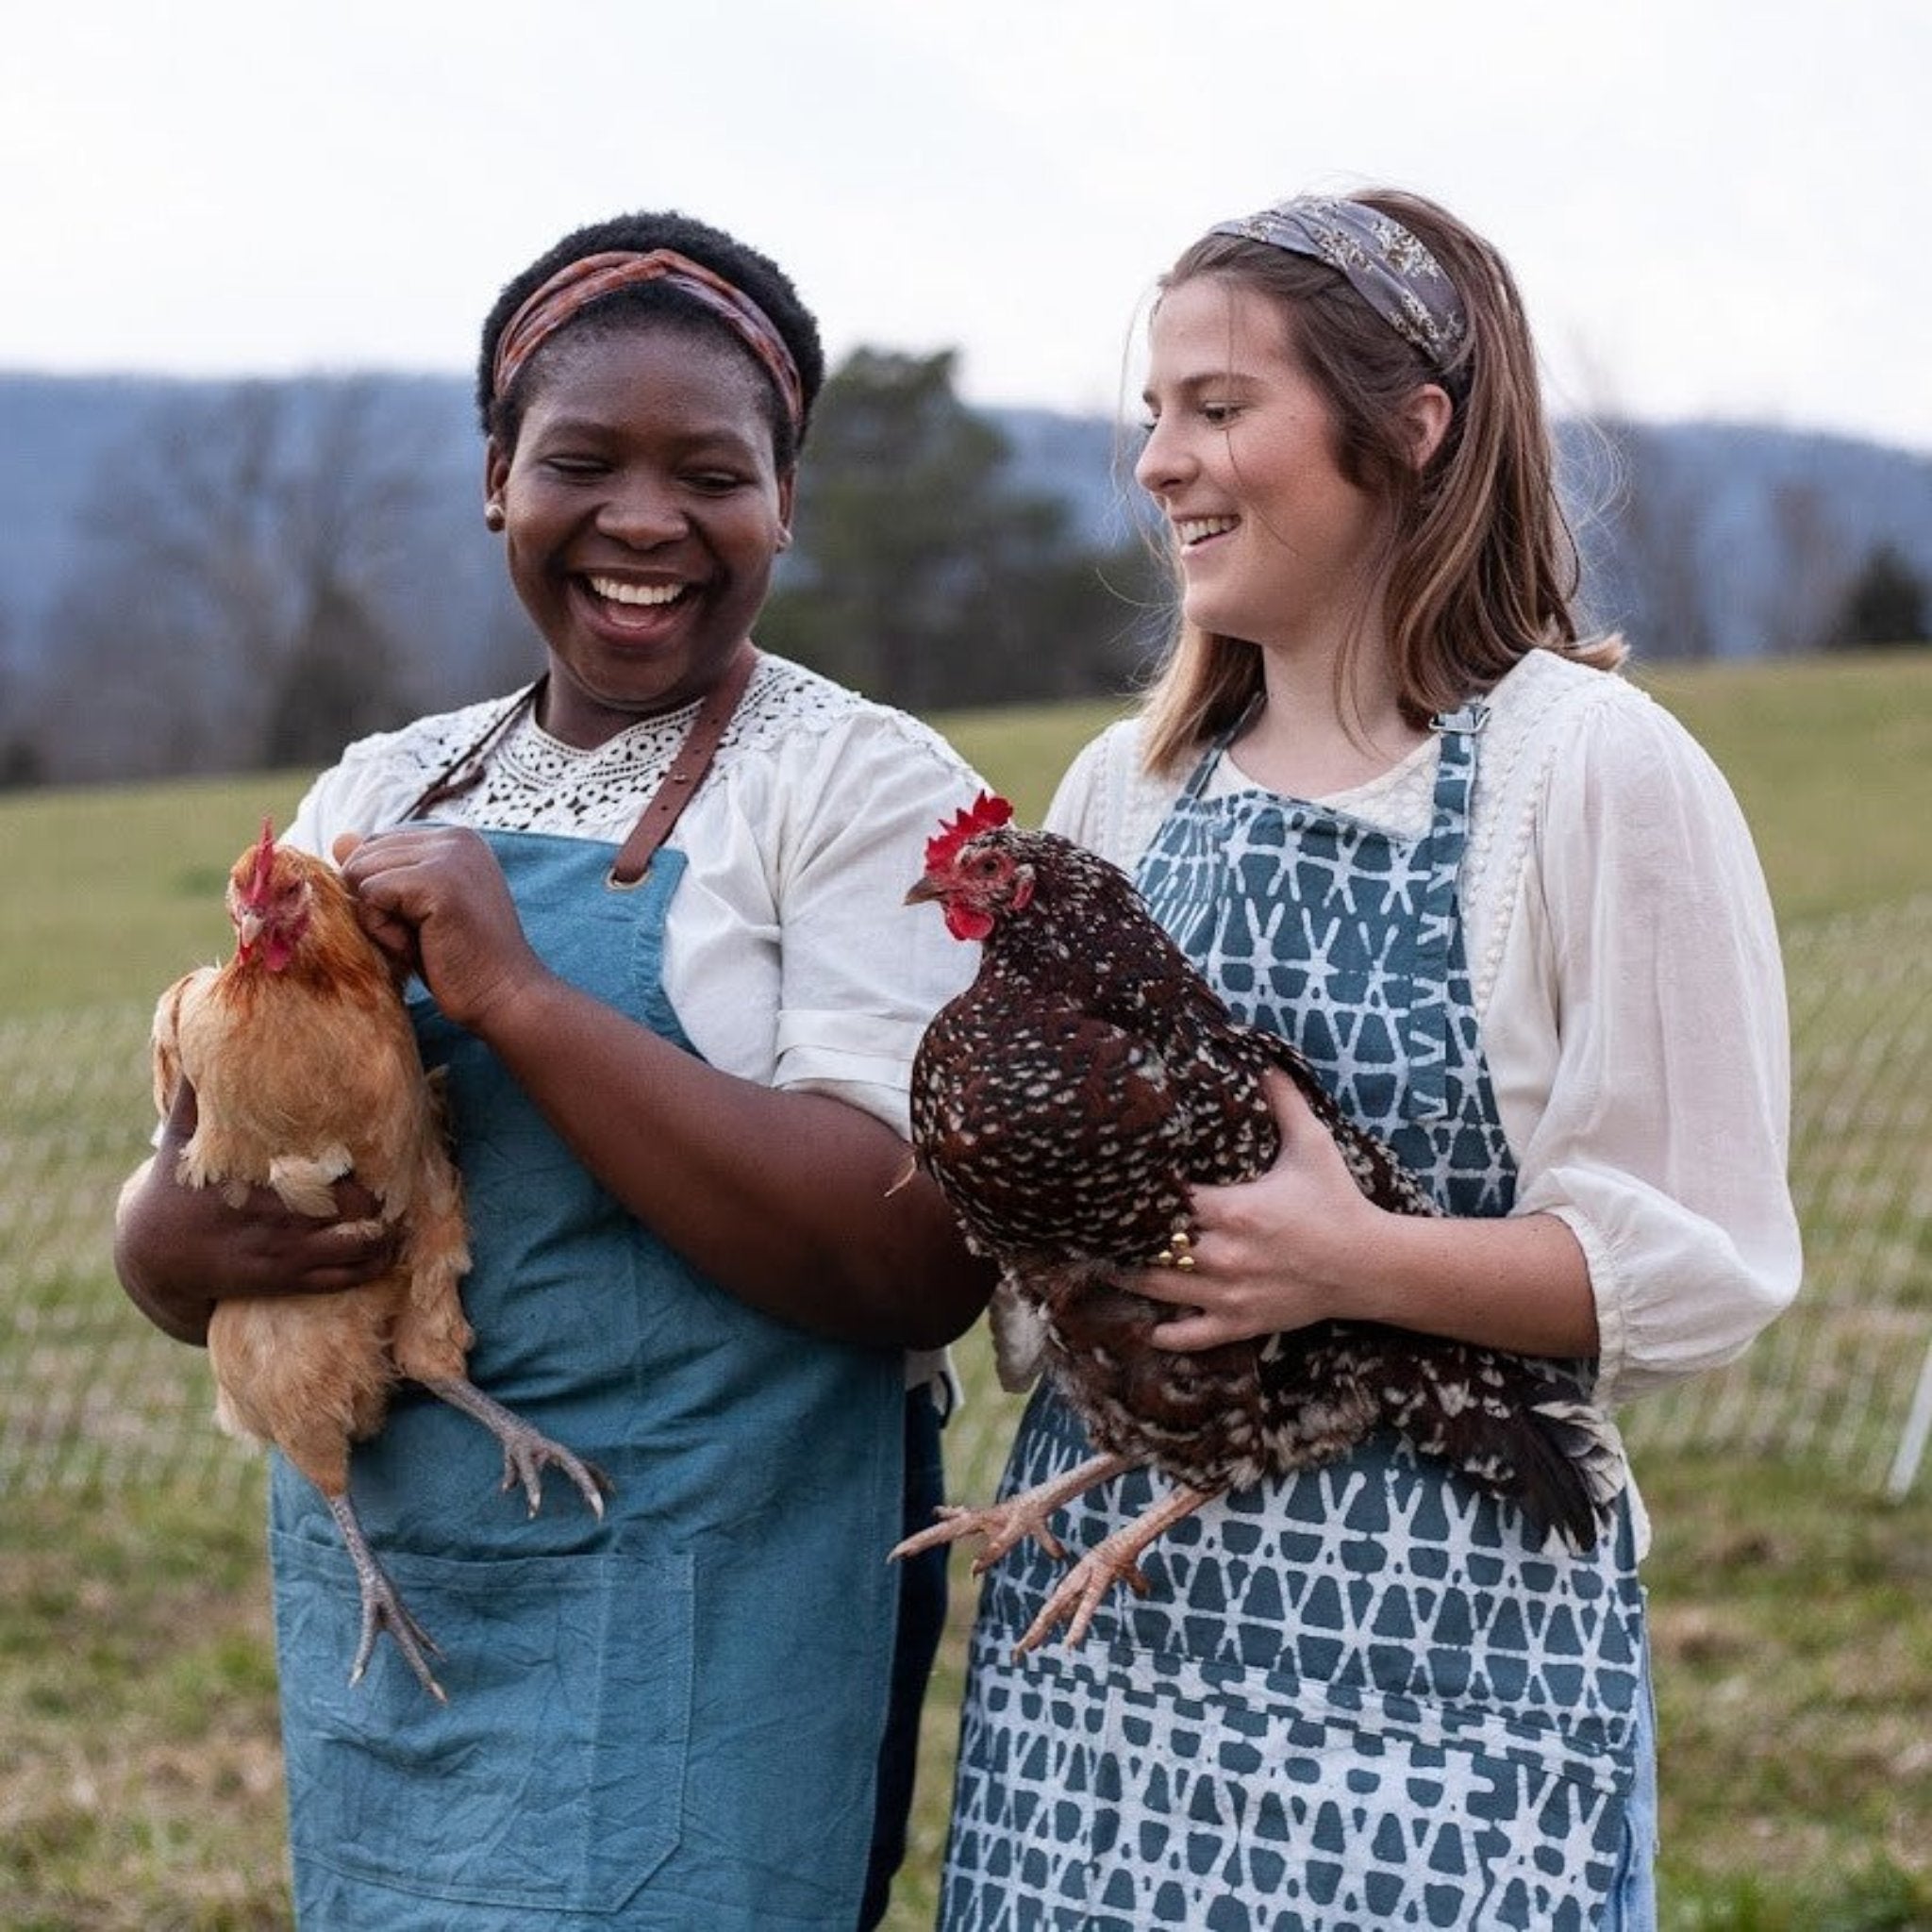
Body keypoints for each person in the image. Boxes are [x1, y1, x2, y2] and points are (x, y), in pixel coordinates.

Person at [113, 208, 994, 1930]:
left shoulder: (861, 791)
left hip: (708, 1610)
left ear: (784, 502)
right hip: (406, 1608)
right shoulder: (387, 783)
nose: (645, 521)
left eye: (713, 473)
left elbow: (914, 1254)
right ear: (499, 483)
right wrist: (167, 1246)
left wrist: (518, 995)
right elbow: (197, 1181)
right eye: (583, 460)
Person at [936, 189, 1801, 1931]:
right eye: (1154, 414)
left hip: (1441, 1658)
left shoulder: (1588, 778)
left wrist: (1355, 1262)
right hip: (1113, 1657)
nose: (1162, 462)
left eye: (1220, 407)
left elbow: (1706, 1269)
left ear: (1410, 435)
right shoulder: (1134, 791)